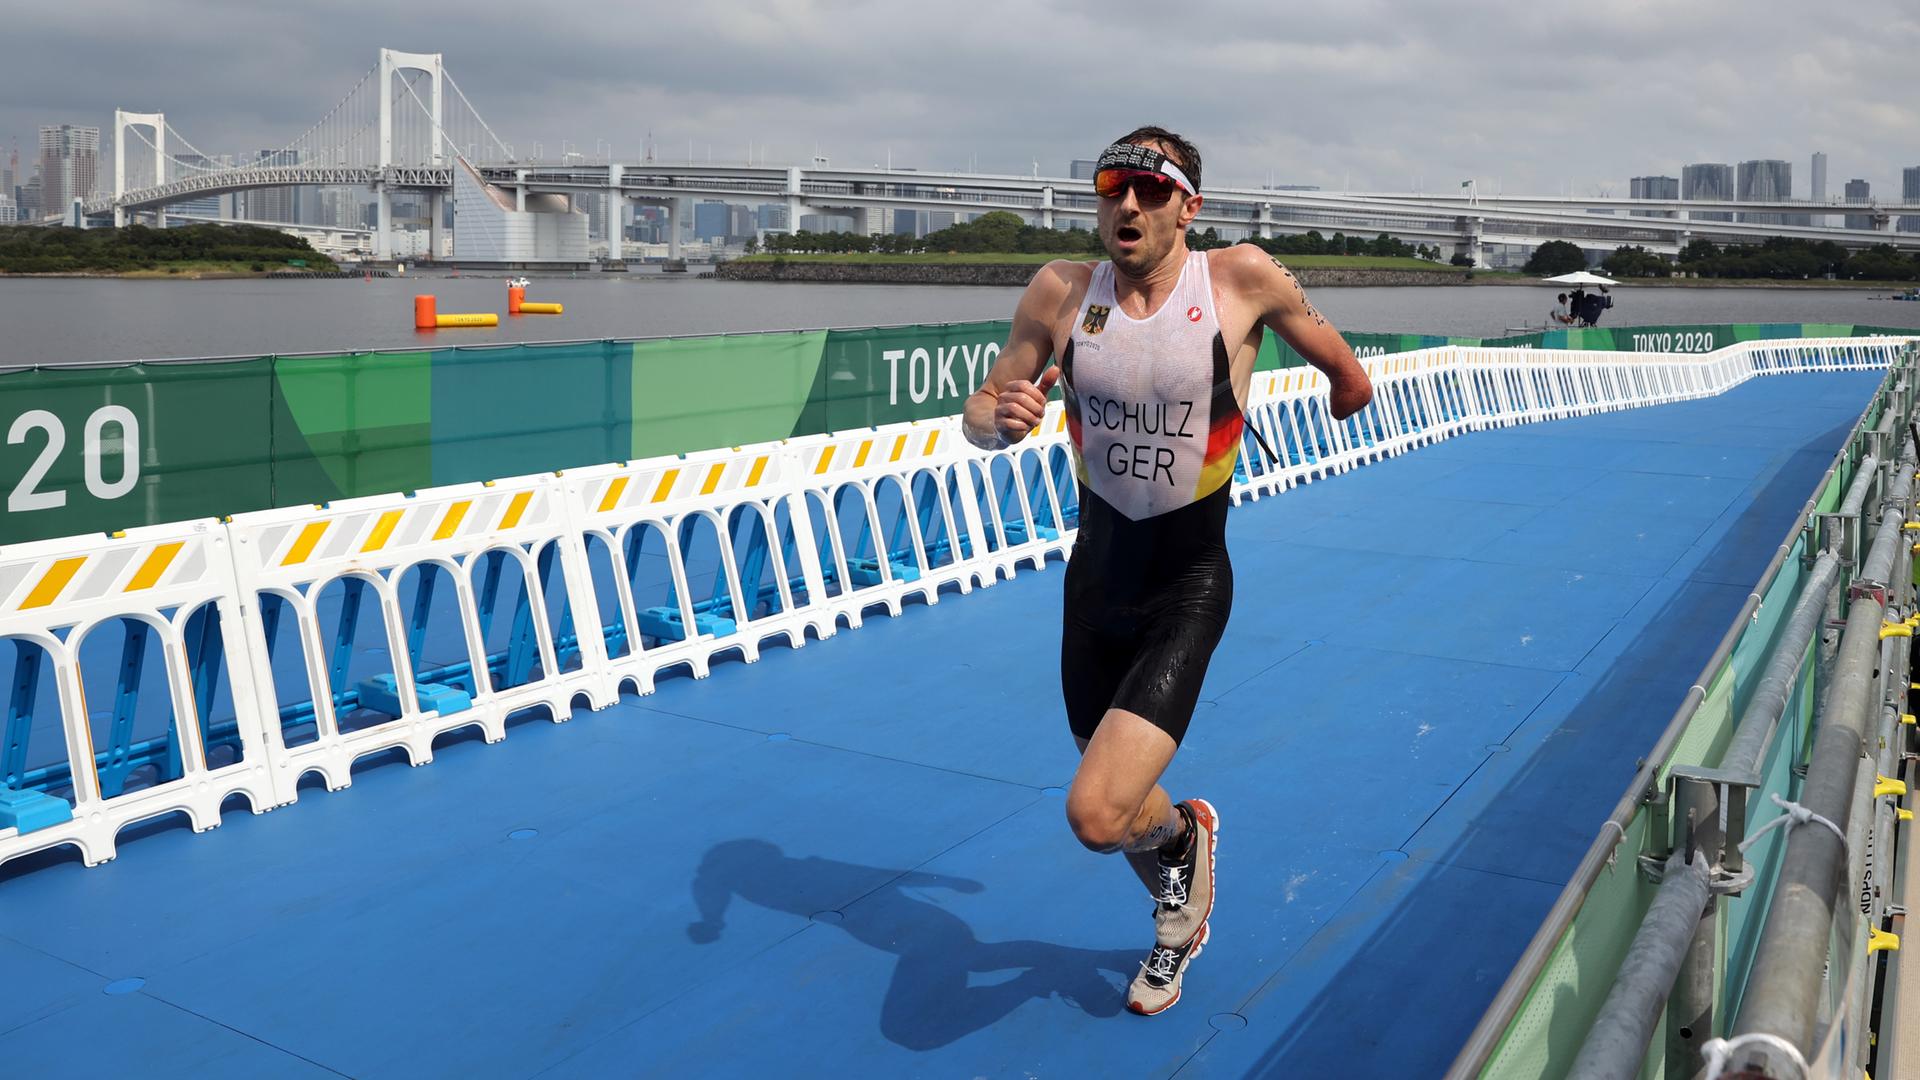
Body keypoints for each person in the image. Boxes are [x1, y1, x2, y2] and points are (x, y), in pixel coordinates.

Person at [962, 126, 1373, 1016]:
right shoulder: (1061, 292)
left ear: (1190, 207)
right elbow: (985, 402)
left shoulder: (1239, 278)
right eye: (1114, 188)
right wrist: (998, 417)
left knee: (1098, 815)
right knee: (1120, 802)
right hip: (1095, 584)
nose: (1129, 205)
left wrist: (1346, 389)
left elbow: (1344, 365)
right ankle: (1179, 910)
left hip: (1187, 583)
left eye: (1152, 191)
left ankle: (1183, 852)